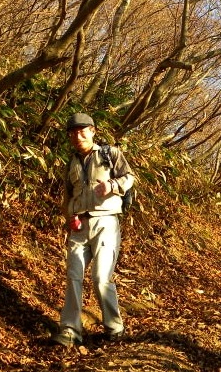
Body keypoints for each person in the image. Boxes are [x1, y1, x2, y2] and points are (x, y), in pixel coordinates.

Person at [52, 112, 135, 348]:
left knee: (100, 278)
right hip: (79, 226)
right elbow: (68, 194)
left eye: (82, 131)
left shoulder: (111, 154)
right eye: (73, 132)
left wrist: (112, 185)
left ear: (92, 131)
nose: (78, 136)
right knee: (73, 276)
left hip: (106, 222)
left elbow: (129, 177)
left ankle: (114, 326)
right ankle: (70, 330)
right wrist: (70, 217)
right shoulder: (72, 162)